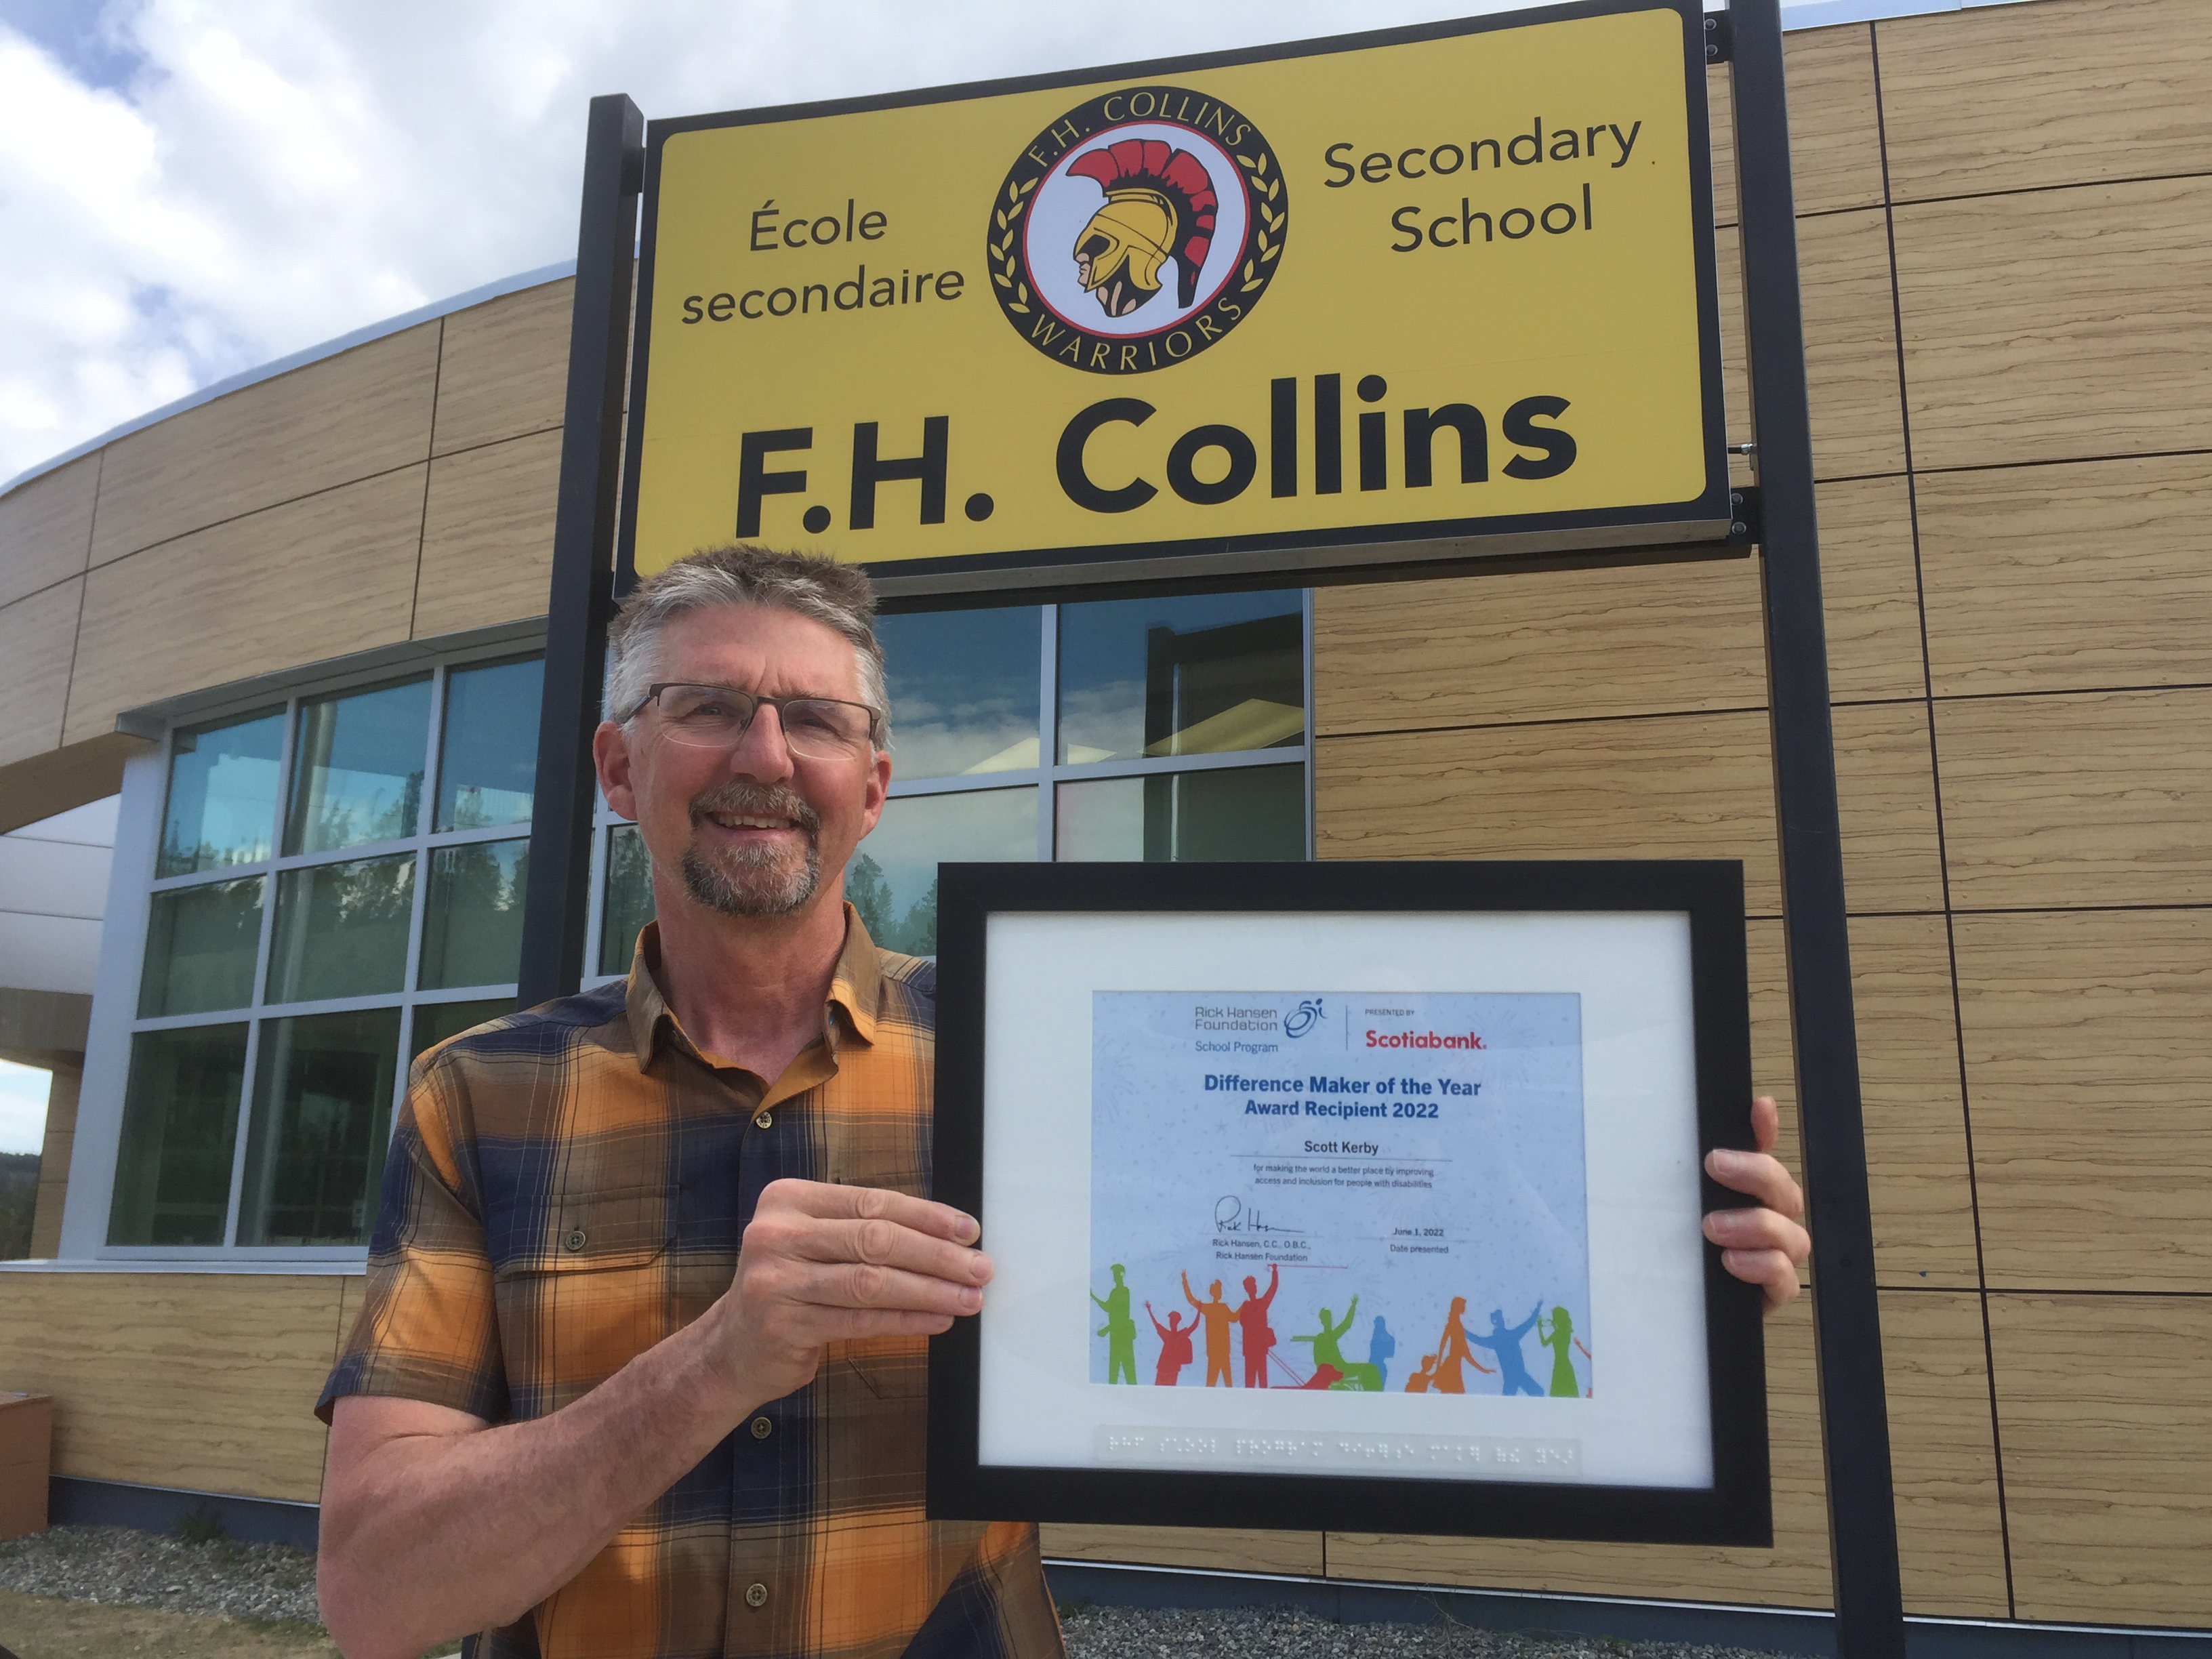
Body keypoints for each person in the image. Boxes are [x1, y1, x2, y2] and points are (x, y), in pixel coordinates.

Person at [313, 544, 1814, 1659]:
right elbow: (377, 1594)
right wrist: (713, 1365)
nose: (766, 758)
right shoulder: (480, 1099)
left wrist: (1643, 1272)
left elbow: (1312, 1248)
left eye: (816, 724)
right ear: (616, 765)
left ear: (875, 785)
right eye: (708, 708)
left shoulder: (1033, 1055)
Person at [1467, 1303, 1545, 1397]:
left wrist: (1462, 1331)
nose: (1502, 1321)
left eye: (1502, 1319)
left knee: (1534, 1394)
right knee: (1538, 1393)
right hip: (1518, 1375)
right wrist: (1538, 1309)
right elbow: (1528, 1324)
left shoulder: (1497, 1340)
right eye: (1501, 1319)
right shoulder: (1510, 1336)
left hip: (1512, 1377)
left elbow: (1477, 1340)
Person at [1181, 1271, 1237, 1387]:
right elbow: (1191, 1299)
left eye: (1220, 1290)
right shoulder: (1210, 1308)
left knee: (1227, 1383)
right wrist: (1185, 1281)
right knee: (1212, 1383)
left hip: (1222, 1350)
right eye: (1218, 1290)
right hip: (1215, 1351)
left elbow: (1234, 1318)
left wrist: (1243, 1307)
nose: (1220, 1293)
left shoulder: (1222, 1308)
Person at [1231, 1264, 1279, 1388]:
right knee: (1251, 1383)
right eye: (1252, 1286)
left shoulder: (1255, 1305)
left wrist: (1275, 1272)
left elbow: (1273, 1288)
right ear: (1248, 1289)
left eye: (1254, 1285)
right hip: (1253, 1349)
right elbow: (1245, 1324)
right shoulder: (1251, 1306)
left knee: (1260, 1382)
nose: (1254, 1288)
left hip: (1257, 1349)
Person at [1092, 1264, 1138, 1385]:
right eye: (1114, 1275)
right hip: (1115, 1335)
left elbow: (1120, 1316)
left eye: (1117, 1274)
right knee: (1113, 1372)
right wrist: (1094, 1297)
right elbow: (1108, 1308)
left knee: (1129, 1373)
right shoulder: (1114, 1292)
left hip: (1123, 1334)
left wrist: (1106, 1329)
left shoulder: (1124, 1291)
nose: (1115, 1277)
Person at [1146, 1303, 1196, 1387]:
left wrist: (1199, 1311)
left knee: (1168, 1390)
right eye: (1171, 1320)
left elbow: (1194, 1326)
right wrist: (1149, 1310)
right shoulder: (1169, 1335)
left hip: (1171, 1369)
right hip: (1164, 1368)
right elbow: (1156, 1324)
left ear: (1177, 1322)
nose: (1171, 1322)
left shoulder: (1178, 1335)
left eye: (1173, 1320)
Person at [1537, 1306, 1580, 1397]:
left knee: (1558, 1393)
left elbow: (1544, 1343)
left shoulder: (1556, 1334)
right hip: (1567, 1364)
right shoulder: (1567, 1332)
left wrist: (1539, 1327)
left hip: (1558, 1365)